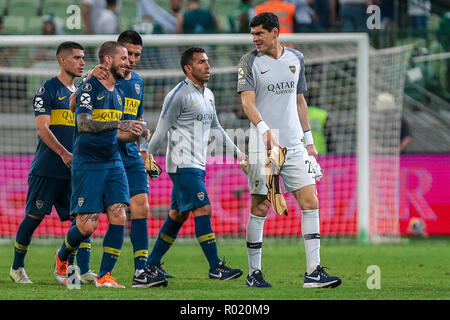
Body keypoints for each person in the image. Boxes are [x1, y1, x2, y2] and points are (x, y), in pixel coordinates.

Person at [237, 12, 341, 288]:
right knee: (260, 205)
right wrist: (264, 132)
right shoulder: (249, 62)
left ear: (274, 32)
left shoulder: (297, 58)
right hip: (262, 145)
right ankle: (254, 273)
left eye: (260, 33)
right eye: (253, 34)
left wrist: (309, 143)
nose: (255, 38)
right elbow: (247, 104)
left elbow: (300, 102)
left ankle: (314, 272)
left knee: (311, 202)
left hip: (294, 144)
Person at [145, 47, 247, 282]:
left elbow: (216, 128)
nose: (208, 65)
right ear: (188, 68)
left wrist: (238, 154)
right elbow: (161, 131)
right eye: (201, 62)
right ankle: (215, 266)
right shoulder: (178, 94)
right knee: (203, 208)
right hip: (182, 163)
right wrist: (145, 157)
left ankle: (151, 264)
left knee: (178, 214)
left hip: (198, 164)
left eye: (208, 61)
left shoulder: (207, 95)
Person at [53, 41, 145, 289]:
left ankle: (105, 276)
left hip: (113, 161)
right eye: (124, 58)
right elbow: (84, 124)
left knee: (119, 214)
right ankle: (62, 257)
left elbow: (117, 132)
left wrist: (135, 131)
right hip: (88, 163)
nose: (129, 63)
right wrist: (119, 125)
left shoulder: (120, 92)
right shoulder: (88, 88)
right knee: (87, 224)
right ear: (108, 60)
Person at [10, 42, 95, 284]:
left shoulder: (82, 93)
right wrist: (63, 153)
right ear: (62, 60)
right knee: (34, 217)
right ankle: (17, 267)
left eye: (83, 58)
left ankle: (69, 268)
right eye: (77, 58)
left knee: (80, 221)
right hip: (48, 168)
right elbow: (42, 129)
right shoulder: (47, 90)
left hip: (75, 170)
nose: (82, 62)